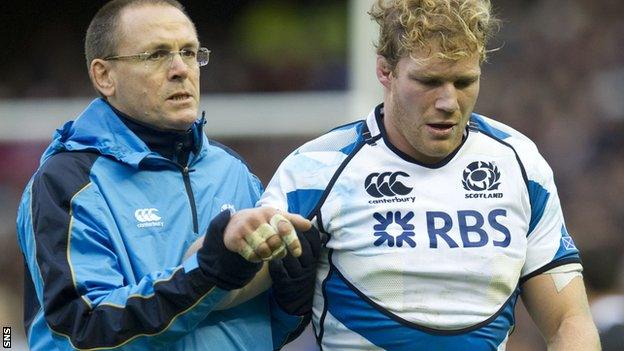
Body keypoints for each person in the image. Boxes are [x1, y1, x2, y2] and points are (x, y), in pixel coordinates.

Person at [259, 0, 600, 349]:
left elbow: (567, 320)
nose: (448, 102)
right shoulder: (315, 169)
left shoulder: (520, 164)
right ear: (385, 71)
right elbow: (238, 302)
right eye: (429, 81)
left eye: (464, 81)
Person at [16, 0, 318, 350]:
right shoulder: (67, 182)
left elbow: (253, 330)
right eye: (156, 55)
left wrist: (290, 301)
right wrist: (205, 274)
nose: (180, 69)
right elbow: (81, 332)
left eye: (189, 52)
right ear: (104, 76)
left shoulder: (232, 170)